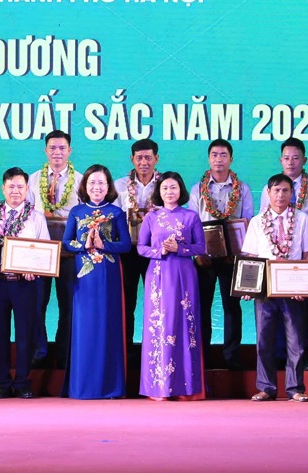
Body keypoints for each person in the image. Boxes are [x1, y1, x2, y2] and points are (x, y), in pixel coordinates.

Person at [241, 174, 308, 402]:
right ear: (268, 193)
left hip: (293, 287)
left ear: (291, 193)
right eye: (276, 191)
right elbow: (251, 257)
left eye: (285, 191)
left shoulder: (303, 219)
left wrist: (304, 284)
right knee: (264, 339)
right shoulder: (257, 221)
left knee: (296, 340)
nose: (280, 195)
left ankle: (295, 388)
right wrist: (249, 286)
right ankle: (266, 387)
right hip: (265, 289)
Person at [62, 164, 131, 399]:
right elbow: (66, 242)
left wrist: (104, 245)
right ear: (85, 186)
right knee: (85, 327)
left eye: (101, 183)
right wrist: (84, 245)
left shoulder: (116, 212)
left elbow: (125, 245)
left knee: (107, 325)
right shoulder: (77, 212)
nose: (96, 187)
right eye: (92, 183)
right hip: (83, 276)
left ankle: (109, 386)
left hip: (109, 275)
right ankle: (83, 385)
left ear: (109, 187)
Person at [0, 168, 50, 399]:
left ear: (27, 189)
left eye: (20, 187)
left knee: (25, 334)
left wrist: (36, 271)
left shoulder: (36, 217)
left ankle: (22, 382)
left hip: (25, 284)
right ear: (3, 188)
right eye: (11, 187)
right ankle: (1, 382)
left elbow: (45, 249)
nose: (15, 191)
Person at [136, 172, 206, 400]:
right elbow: (141, 248)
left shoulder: (191, 216)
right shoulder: (151, 217)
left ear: (181, 190)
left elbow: (200, 247)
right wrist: (161, 251)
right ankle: (158, 387)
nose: (169, 192)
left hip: (184, 275)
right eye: (165, 188)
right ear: (159, 191)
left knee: (184, 324)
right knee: (160, 324)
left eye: (173, 187)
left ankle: (184, 387)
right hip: (158, 275)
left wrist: (180, 249)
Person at [257, 137, 308, 367]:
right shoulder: (271, 188)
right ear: (280, 160)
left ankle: (301, 358)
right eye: (286, 157)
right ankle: (277, 358)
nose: (291, 162)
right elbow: (262, 228)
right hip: (273, 264)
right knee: (273, 316)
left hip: (300, 262)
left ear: (304, 160)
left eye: (296, 157)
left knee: (301, 314)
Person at [187, 138, 254, 370]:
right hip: (204, 257)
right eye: (214, 154)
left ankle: (232, 357)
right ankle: (201, 356)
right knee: (202, 307)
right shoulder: (197, 188)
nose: (219, 159)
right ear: (209, 159)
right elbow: (192, 223)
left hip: (231, 258)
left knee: (232, 308)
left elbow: (246, 223)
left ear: (231, 159)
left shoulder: (242, 188)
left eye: (223, 155)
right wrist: (197, 254)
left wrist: (238, 254)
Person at [28, 130, 83, 368]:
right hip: (40, 251)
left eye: (62, 148)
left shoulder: (81, 180)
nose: (57, 152)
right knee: (36, 303)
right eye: (52, 148)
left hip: (69, 252)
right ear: (45, 150)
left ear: (69, 151)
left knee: (68, 305)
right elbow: (26, 216)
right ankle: (38, 352)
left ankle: (64, 355)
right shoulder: (32, 179)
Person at [113, 138, 161, 363]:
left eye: (148, 158)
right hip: (127, 251)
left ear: (156, 159)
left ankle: (156, 352)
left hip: (156, 252)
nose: (144, 162)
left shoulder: (165, 185)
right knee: (127, 302)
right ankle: (126, 351)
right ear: (132, 159)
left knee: (158, 302)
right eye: (139, 158)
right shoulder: (119, 185)